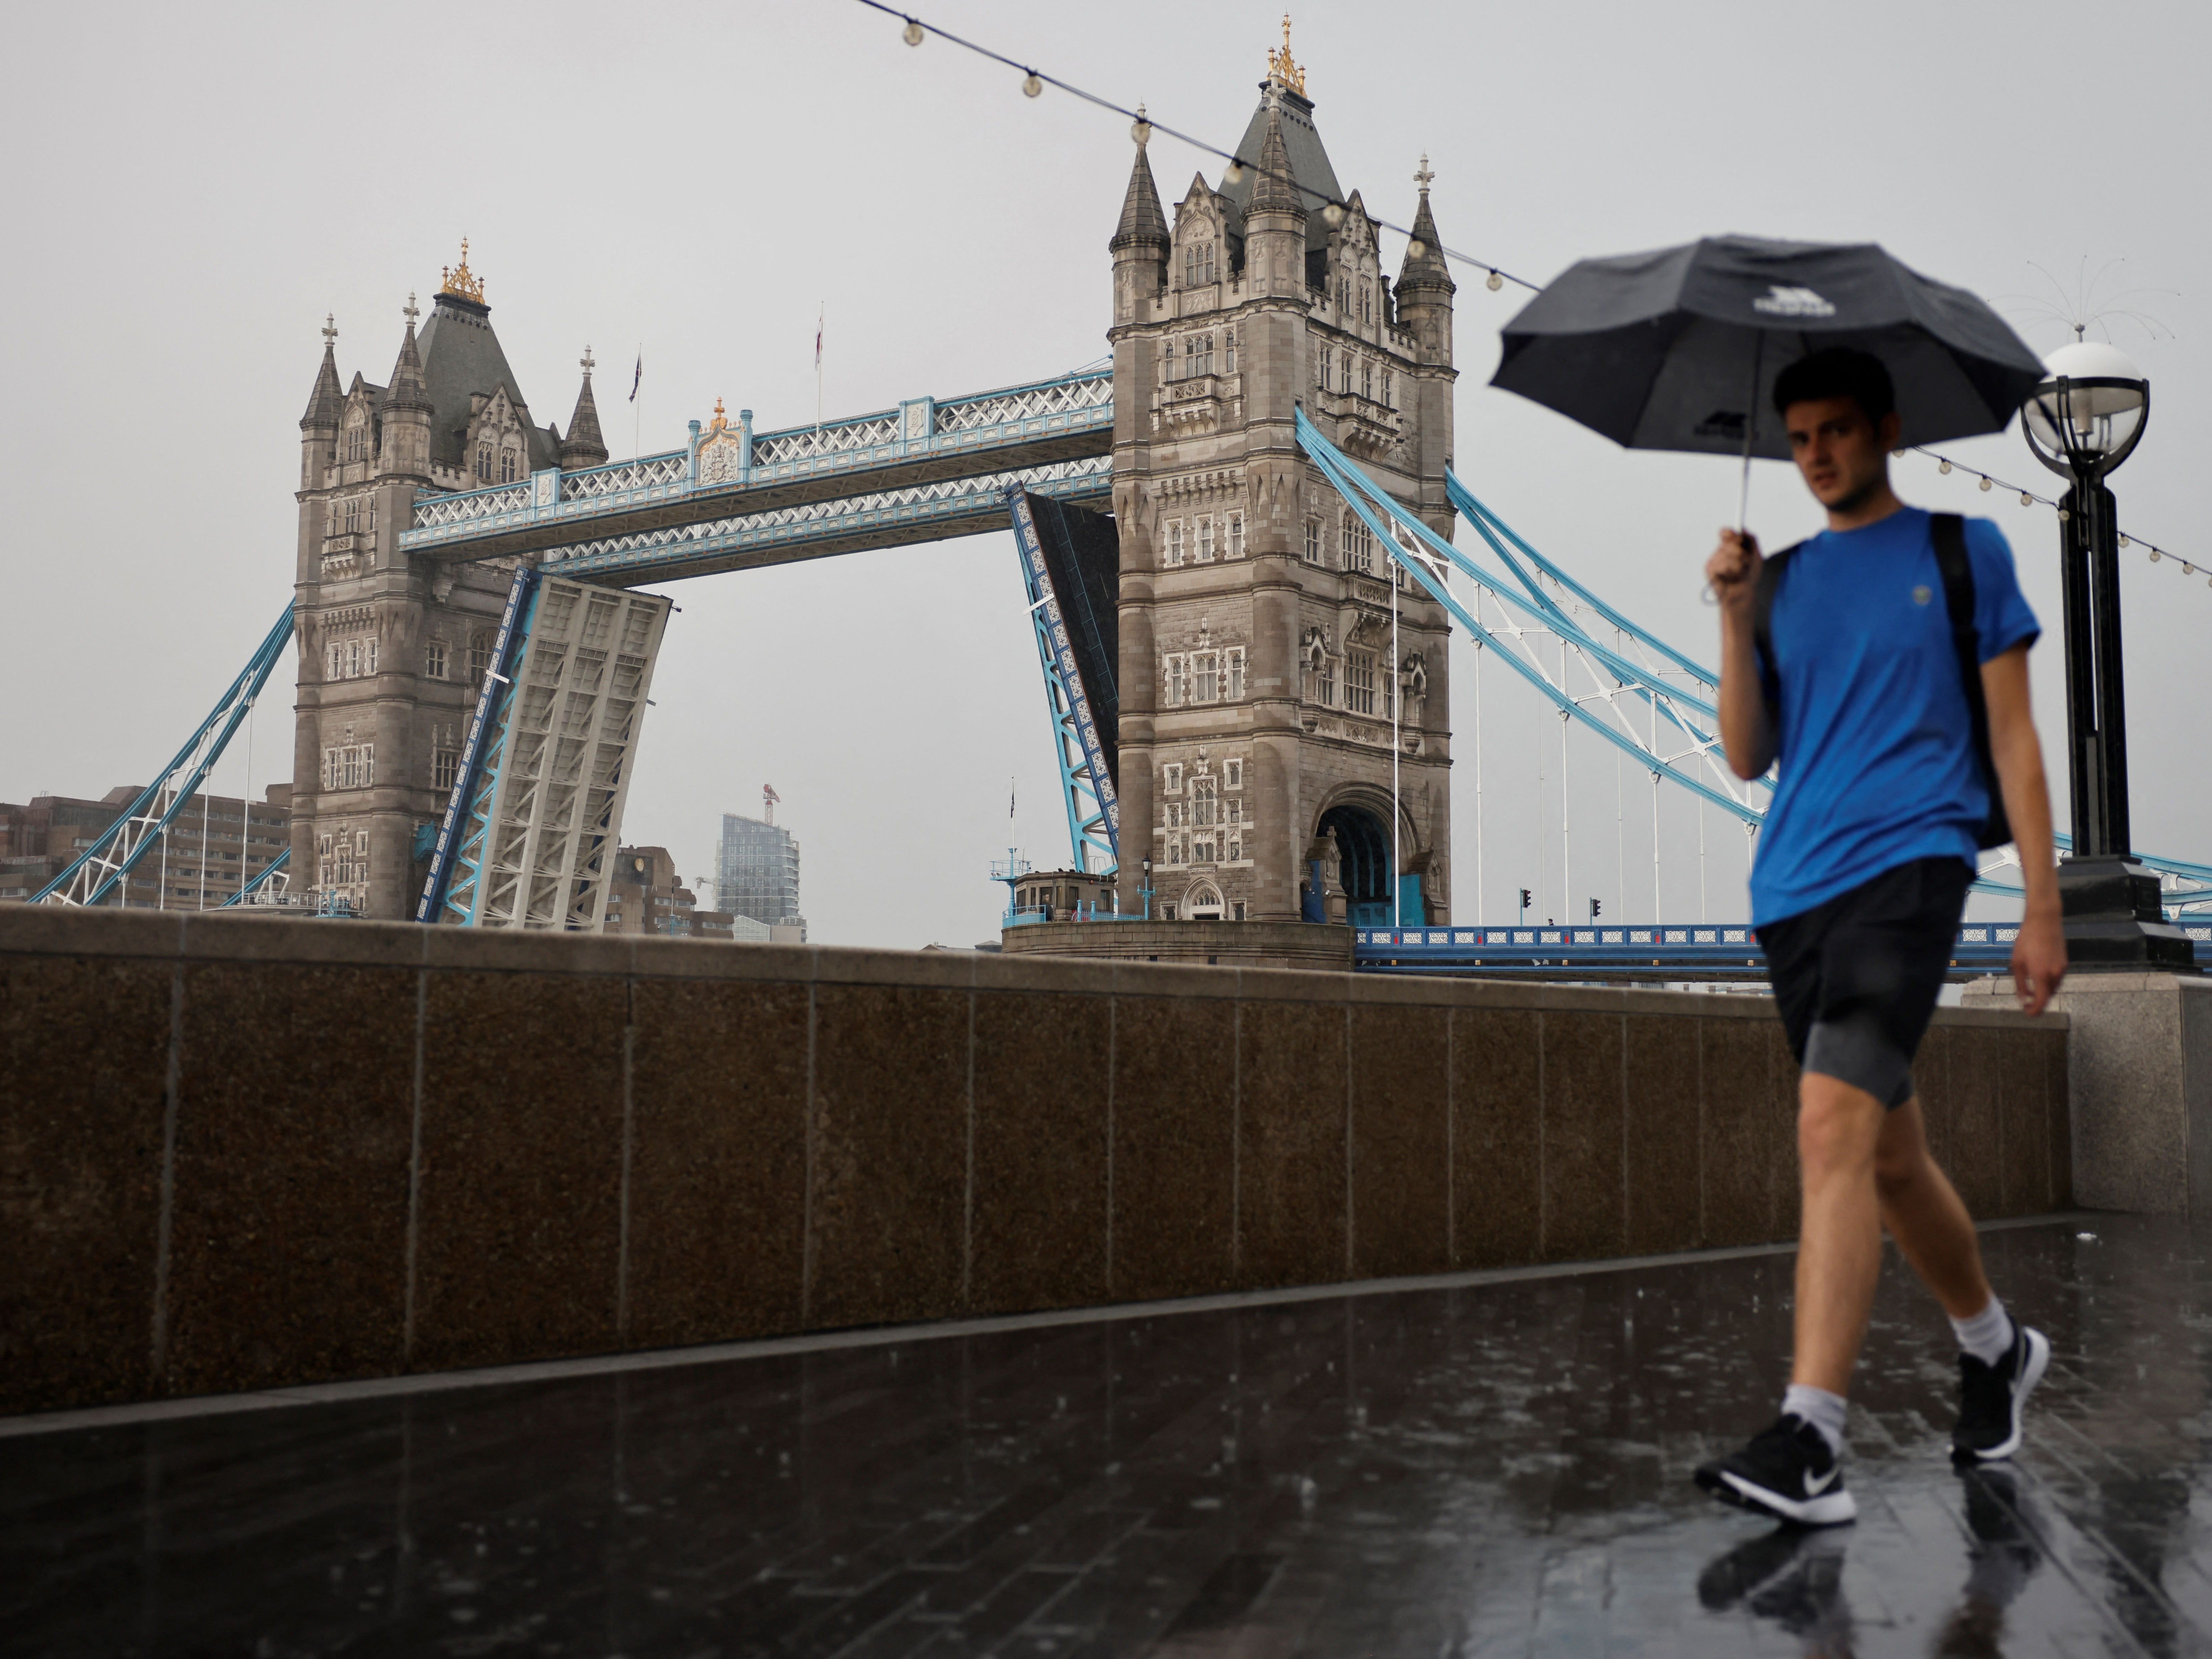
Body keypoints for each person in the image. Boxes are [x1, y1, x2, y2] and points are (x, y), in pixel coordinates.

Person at [1691, 347, 2068, 1527]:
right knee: (1886, 1156)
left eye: (1838, 430)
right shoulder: (1784, 580)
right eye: (1798, 436)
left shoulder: (1962, 554)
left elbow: (2011, 739)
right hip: (1790, 894)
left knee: (1827, 1125)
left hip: (1909, 874)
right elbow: (1749, 757)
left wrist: (2043, 907)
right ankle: (1995, 1349)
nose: (1816, 454)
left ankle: (1811, 1434)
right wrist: (1734, 618)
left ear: (1887, 430)